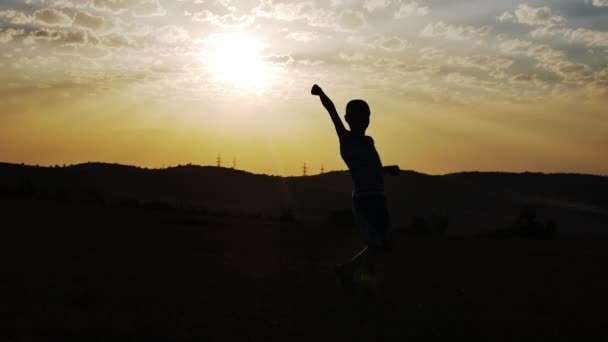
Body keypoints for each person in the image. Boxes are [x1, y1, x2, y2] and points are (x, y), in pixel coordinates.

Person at [311, 84, 399, 293]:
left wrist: (388, 169)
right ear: (349, 118)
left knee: (382, 243)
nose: (364, 119)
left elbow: (372, 168)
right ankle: (359, 279)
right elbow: (331, 111)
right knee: (376, 244)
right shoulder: (346, 138)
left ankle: (347, 271)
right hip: (364, 200)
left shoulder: (369, 142)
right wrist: (321, 94)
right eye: (359, 115)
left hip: (379, 198)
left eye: (366, 115)